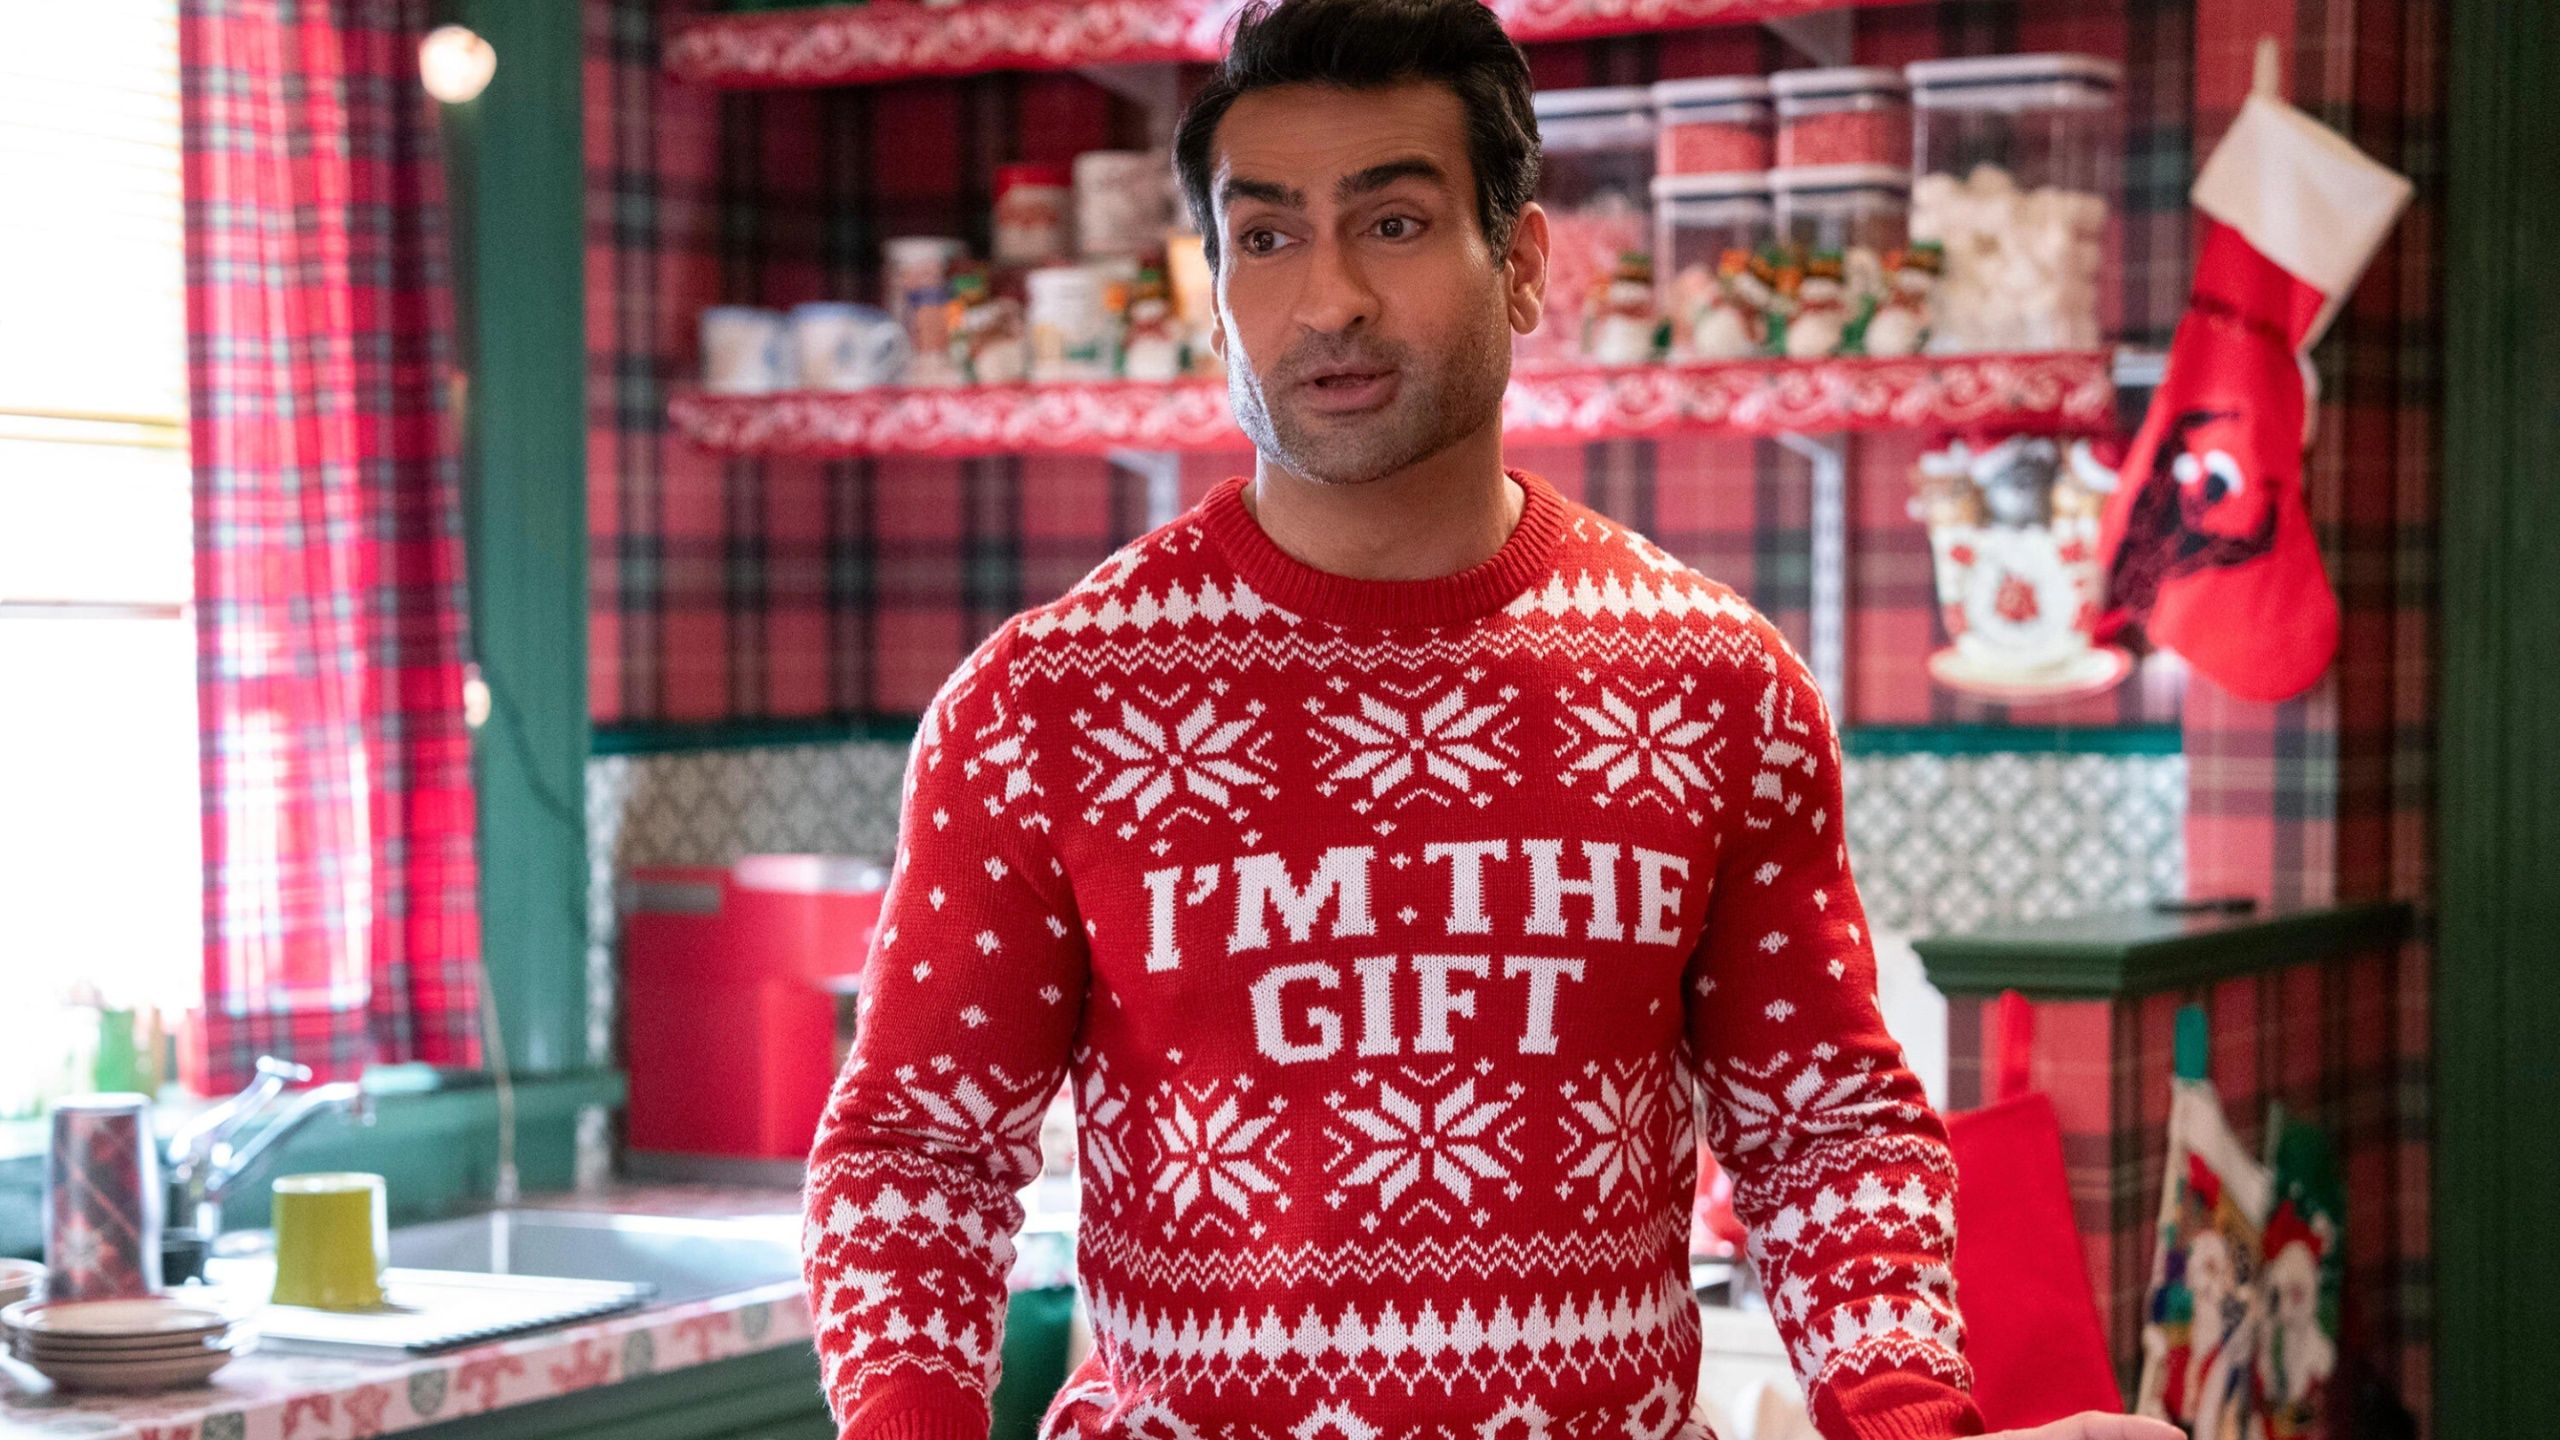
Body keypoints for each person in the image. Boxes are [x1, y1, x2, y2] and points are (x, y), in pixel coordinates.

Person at [801, 1, 2185, 1436]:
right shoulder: (1045, 705)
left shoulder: (1711, 682)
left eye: (1392, 224)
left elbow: (1823, 1130)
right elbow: (914, 1155)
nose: (1327, 299)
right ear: (1213, 289)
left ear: (1521, 264)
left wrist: (1907, 1421)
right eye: (1265, 238)